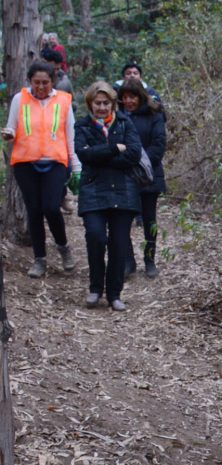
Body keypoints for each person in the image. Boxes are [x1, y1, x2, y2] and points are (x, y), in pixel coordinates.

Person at [2, 60, 79, 278]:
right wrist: (9, 134)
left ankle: (64, 248)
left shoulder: (63, 101)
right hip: (26, 163)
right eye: (37, 83)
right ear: (30, 81)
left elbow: (70, 136)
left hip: (55, 162)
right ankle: (40, 259)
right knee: (34, 210)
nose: (41, 87)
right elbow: (12, 127)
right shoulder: (20, 99)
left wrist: (75, 167)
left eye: (45, 82)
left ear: (53, 81)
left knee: (51, 207)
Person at [74, 80, 142, 311]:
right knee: (95, 237)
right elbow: (84, 155)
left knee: (118, 244)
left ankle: (114, 294)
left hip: (124, 191)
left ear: (113, 104)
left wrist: (100, 155)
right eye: (97, 103)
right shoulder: (82, 126)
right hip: (93, 190)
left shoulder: (125, 122)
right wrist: (114, 148)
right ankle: (95, 288)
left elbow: (133, 154)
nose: (102, 107)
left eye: (106, 103)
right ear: (90, 104)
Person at [118, 79, 166, 279]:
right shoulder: (117, 117)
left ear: (140, 96)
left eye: (133, 97)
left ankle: (150, 260)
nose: (129, 101)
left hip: (148, 176)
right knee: (123, 220)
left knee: (149, 220)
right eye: (125, 97)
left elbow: (159, 144)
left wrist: (139, 160)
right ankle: (128, 261)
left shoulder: (154, 115)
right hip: (123, 175)